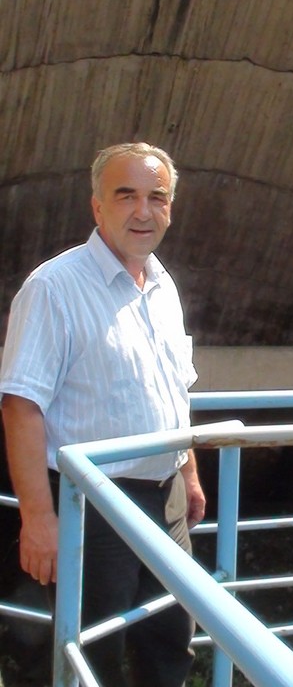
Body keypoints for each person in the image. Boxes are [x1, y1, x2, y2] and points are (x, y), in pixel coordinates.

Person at [0, 142, 206, 687]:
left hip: (166, 500)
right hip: (93, 503)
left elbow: (174, 388)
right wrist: (38, 519)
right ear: (97, 206)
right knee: (94, 653)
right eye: (126, 195)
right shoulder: (53, 288)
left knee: (170, 640)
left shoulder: (162, 284)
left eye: (157, 197)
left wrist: (188, 473)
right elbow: (21, 406)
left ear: (170, 207)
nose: (143, 211)